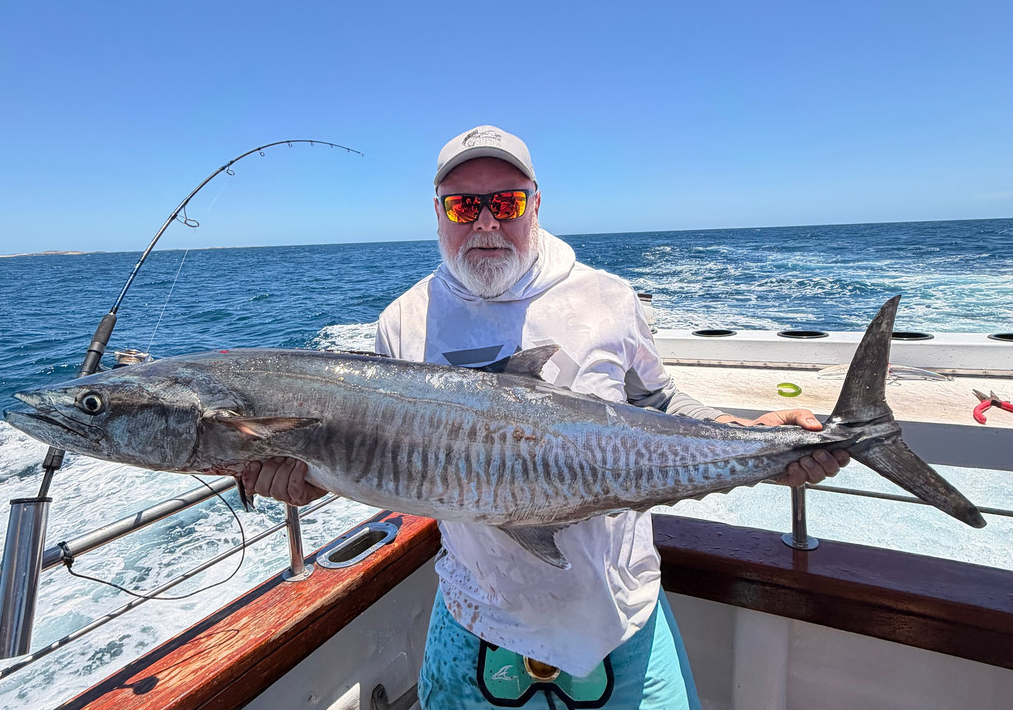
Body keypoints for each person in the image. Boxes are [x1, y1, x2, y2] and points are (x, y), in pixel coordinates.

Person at [243, 125, 848, 709]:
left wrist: (754, 442)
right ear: (437, 212)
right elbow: (374, 460)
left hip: (620, 614)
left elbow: (660, 404)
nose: (485, 222)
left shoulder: (608, 299)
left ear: (536, 205)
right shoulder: (402, 323)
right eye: (463, 207)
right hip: (476, 612)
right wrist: (302, 478)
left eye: (505, 202)